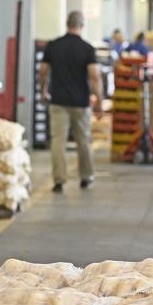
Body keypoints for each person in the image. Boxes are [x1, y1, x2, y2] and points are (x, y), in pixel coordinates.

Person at [39, 11, 103, 193]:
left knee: (58, 141)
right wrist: (99, 100)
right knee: (83, 140)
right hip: (81, 102)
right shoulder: (87, 48)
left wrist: (43, 90)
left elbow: (43, 71)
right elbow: (94, 76)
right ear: (82, 26)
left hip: (58, 101)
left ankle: (59, 180)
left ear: (67, 23)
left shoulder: (53, 46)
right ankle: (86, 176)